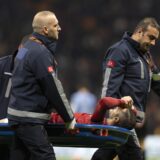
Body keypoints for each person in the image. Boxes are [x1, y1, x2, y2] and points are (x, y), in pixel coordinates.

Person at [7, 11, 76, 160]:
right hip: (29, 117)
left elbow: (14, 71)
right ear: (45, 29)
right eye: (55, 25)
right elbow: (53, 88)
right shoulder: (40, 53)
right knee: (46, 156)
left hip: (17, 114)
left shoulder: (25, 45)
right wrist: (69, 117)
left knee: (20, 156)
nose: (60, 28)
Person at [91, 17, 160, 160]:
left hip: (133, 120)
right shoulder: (120, 51)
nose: (153, 43)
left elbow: (157, 81)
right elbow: (109, 87)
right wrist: (110, 118)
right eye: (151, 37)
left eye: (155, 39)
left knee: (103, 155)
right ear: (140, 31)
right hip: (121, 120)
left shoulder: (146, 56)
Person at [51, 96, 136, 130]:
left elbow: (104, 102)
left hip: (54, 121)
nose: (118, 107)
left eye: (120, 108)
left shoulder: (99, 123)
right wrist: (131, 108)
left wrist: (122, 102)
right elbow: (133, 118)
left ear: (116, 119)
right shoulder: (102, 125)